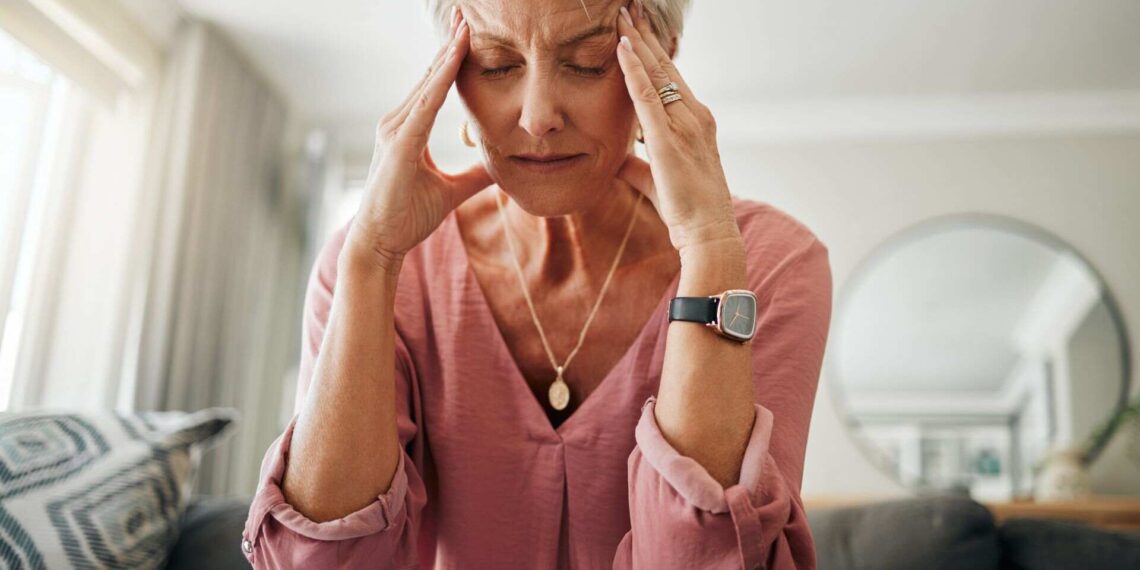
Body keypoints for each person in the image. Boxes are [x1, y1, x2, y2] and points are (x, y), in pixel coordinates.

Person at [241, 0, 832, 567]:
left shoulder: (768, 261)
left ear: (662, 61)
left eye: (587, 61)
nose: (536, 115)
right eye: (496, 64)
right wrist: (369, 260)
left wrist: (707, 247)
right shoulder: (383, 265)